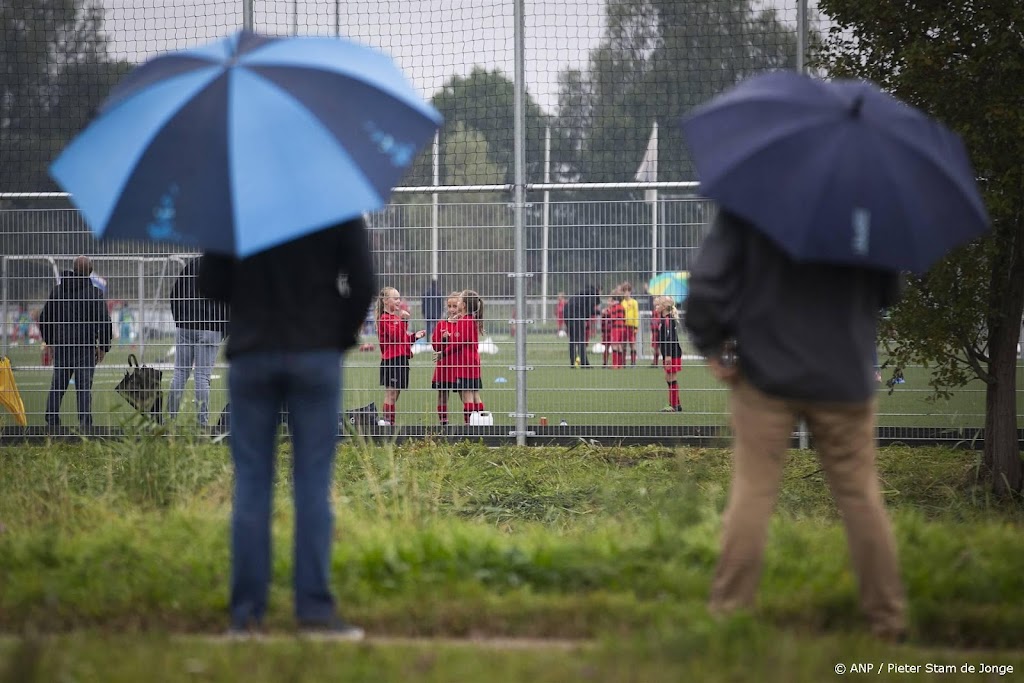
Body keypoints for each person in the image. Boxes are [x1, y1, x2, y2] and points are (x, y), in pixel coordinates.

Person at [684, 209, 905, 641]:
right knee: (861, 497)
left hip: (765, 372)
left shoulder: (750, 200)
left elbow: (707, 288)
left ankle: (729, 617)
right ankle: (888, 621)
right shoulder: (866, 203)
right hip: (845, 373)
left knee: (752, 493)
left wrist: (713, 343)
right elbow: (888, 291)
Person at [198, 217, 375, 638]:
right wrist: (337, 331)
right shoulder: (335, 201)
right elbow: (364, 282)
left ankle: (246, 617)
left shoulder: (237, 203)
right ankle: (313, 610)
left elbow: (210, 282)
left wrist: (251, 300)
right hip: (315, 349)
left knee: (252, 485)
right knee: (313, 484)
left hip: (252, 349)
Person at [38, 256, 112, 432]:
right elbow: (104, 322)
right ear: (90, 272)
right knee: (84, 387)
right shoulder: (94, 293)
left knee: (58, 384)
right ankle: (85, 423)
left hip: (62, 345)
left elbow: (44, 319)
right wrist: (103, 346)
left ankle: (52, 419)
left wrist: (50, 341)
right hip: (85, 347)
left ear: (73, 269)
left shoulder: (57, 291)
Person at [168, 258, 230, 430]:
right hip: (211, 327)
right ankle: (201, 424)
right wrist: (225, 328)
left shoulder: (192, 265)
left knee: (179, 373)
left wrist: (180, 320)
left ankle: (170, 419)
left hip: (186, 325)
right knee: (202, 377)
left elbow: (175, 294)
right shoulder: (225, 268)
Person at [376, 286, 426, 426]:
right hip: (391, 361)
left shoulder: (395, 318)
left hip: (401, 360)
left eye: (399, 298)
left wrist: (414, 337)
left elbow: (402, 342)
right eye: (395, 298)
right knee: (391, 393)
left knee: (396, 393)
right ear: (385, 301)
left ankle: (388, 421)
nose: (399, 301)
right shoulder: (385, 318)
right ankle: (387, 423)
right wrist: (404, 321)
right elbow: (395, 337)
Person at [451, 289, 484, 422]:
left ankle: (469, 426)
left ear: (464, 305)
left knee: (467, 395)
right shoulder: (470, 320)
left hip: (466, 364)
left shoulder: (465, 321)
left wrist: (443, 353)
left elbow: (457, 342)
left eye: (459, 300)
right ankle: (482, 423)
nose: (457, 302)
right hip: (474, 363)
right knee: (475, 395)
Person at [430, 292, 462, 426]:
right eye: (449, 306)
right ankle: (444, 422)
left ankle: (470, 422)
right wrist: (443, 339)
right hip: (444, 366)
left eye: (455, 306)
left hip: (460, 367)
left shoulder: (464, 324)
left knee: (464, 394)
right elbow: (435, 346)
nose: (452, 309)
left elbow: (463, 344)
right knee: (442, 394)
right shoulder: (441, 324)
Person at [656, 296, 683, 412]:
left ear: (664, 307)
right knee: (668, 377)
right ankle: (676, 404)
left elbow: (669, 338)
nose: (656, 307)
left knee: (671, 377)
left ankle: (674, 406)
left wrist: (667, 355)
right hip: (669, 354)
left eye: (658, 305)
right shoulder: (664, 319)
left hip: (672, 354)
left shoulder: (667, 320)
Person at [564, 285, 600, 368]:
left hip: (567, 313)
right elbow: (589, 309)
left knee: (573, 339)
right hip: (576, 314)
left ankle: (573, 363)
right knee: (581, 339)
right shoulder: (593, 293)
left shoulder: (582, 292)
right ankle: (584, 364)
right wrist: (598, 312)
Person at [620, 282, 640, 366]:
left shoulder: (634, 302)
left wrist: (636, 326)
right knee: (623, 345)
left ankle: (633, 362)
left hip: (632, 326)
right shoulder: (622, 303)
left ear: (630, 292)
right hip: (624, 326)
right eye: (624, 291)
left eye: (628, 291)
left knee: (632, 344)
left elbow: (636, 314)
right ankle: (623, 362)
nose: (626, 293)